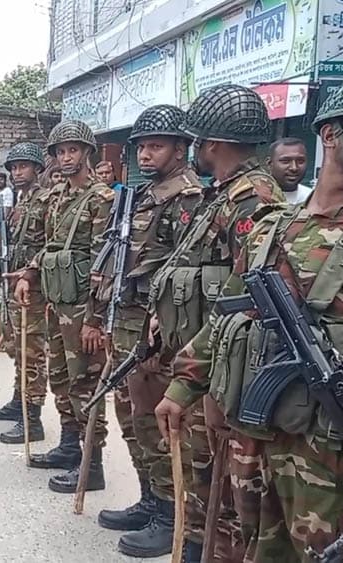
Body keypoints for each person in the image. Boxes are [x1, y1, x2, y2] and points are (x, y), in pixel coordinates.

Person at [151, 85, 284, 562]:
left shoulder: (251, 200)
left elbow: (243, 296)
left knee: (230, 482)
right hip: (210, 358)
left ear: (212, 145)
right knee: (211, 471)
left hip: (227, 365)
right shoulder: (224, 195)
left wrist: (190, 375)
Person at [89, 106, 205, 558]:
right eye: (141, 146)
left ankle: (173, 513)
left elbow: (186, 274)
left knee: (159, 424)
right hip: (127, 322)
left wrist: (162, 334)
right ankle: (152, 498)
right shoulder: (140, 196)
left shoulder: (189, 199)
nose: (145, 153)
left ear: (181, 148)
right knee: (132, 419)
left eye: (156, 145)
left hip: (159, 332)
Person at [14, 120, 115, 494]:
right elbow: (51, 246)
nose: (67, 157)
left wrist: (95, 319)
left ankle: (93, 463)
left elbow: (105, 263)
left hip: (83, 308)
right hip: (58, 302)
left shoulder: (102, 199)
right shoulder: (57, 197)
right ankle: (70, 447)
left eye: (73, 150)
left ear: (87, 153)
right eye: (60, 151)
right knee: (60, 377)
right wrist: (29, 273)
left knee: (86, 383)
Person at [0, 142, 53, 446]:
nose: (17, 172)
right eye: (14, 167)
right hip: (15, 282)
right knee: (17, 349)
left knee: (32, 353)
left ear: (38, 168)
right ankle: (19, 400)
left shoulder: (47, 200)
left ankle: (32, 418)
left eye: (23, 166)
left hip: (36, 287)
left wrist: (30, 271)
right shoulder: (21, 202)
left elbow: (51, 244)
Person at [267, 137, 312, 204]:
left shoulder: (312, 198)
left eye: (300, 161)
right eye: (285, 161)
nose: (294, 168)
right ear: (270, 164)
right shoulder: (257, 196)